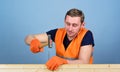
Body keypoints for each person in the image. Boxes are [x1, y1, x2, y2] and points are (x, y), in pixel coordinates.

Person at [25, 8, 94, 71]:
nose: (70, 29)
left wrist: (64, 61)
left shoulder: (87, 35)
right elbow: (28, 38)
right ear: (64, 21)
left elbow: (84, 62)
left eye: (74, 25)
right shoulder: (57, 33)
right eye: (68, 24)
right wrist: (33, 41)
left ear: (82, 25)